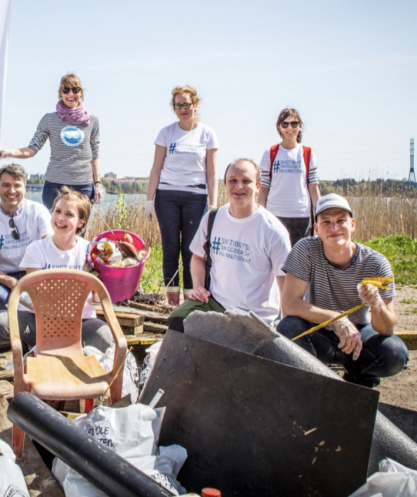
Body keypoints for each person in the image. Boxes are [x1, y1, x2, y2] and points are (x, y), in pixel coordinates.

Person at [278, 194, 409, 388]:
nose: (334, 228)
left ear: (353, 224)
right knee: (288, 328)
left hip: (360, 334)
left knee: (395, 353)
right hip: (320, 329)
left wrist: (377, 304)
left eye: (341, 221)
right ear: (317, 228)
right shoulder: (305, 250)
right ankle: (314, 380)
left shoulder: (375, 263)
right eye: (326, 222)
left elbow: (387, 328)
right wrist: (337, 319)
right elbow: (289, 304)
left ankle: (358, 377)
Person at [168, 159, 291, 332]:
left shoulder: (273, 230)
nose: (239, 187)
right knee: (177, 320)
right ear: (225, 184)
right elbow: (197, 257)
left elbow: (285, 283)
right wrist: (199, 287)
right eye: (233, 180)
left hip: (254, 317)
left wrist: (284, 324)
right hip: (215, 304)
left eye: (246, 181)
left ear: (258, 186)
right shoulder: (213, 218)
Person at [0, 188, 113, 352]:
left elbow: (97, 298)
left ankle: (47, 347)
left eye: (69, 214)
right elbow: (38, 295)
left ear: (81, 222)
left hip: (79, 321)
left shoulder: (90, 251)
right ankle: (61, 346)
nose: (60, 218)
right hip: (40, 319)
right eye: (58, 211)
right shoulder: (36, 249)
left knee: (106, 337)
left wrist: (107, 278)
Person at [145, 85, 219, 306]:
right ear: (174, 108)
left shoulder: (208, 134)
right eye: (178, 106)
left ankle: (190, 300)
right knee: (170, 249)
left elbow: (212, 173)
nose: (183, 109)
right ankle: (172, 302)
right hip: (166, 196)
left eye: (187, 104)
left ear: (195, 105)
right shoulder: (167, 133)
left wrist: (213, 204)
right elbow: (156, 169)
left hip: (196, 197)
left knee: (191, 250)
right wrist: (149, 199)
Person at [0, 73, 104, 209]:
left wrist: (97, 184)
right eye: (66, 90)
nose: (70, 93)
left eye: (75, 89)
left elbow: (94, 155)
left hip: (83, 186)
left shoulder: (92, 121)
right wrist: (10, 152)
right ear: (60, 93)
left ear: (81, 93)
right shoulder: (49, 120)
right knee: (54, 229)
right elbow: (32, 149)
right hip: (55, 186)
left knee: (78, 229)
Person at [0, 164, 52, 316]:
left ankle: (34, 328)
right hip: (4, 276)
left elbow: (50, 250)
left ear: (25, 187)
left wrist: (32, 281)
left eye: (17, 185)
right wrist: (12, 283)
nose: (11, 191)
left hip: (34, 273)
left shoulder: (40, 212)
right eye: (6, 185)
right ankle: (8, 333)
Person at [258, 108, 321, 246]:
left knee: (299, 262)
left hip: (301, 216)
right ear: (279, 128)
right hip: (274, 215)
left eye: (294, 123)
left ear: (300, 126)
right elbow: (264, 188)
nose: (289, 128)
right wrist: (259, 216)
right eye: (285, 124)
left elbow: (313, 189)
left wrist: (321, 215)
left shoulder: (308, 153)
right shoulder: (270, 153)